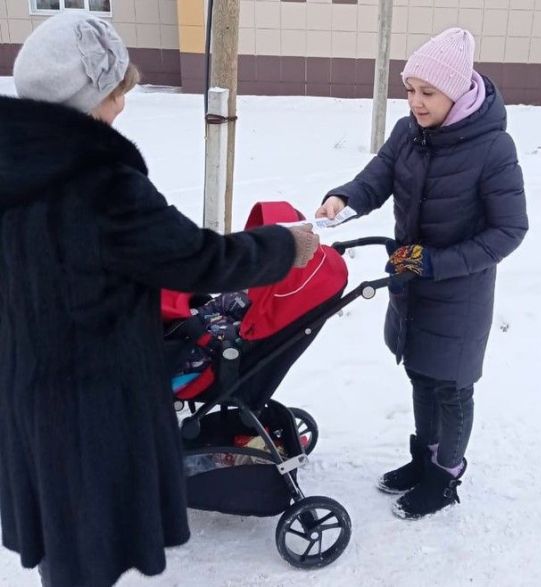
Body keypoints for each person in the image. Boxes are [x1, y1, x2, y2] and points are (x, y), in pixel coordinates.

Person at [0, 12, 318, 587]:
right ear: (90, 95)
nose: (122, 107)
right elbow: (199, 260)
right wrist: (282, 246)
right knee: (89, 540)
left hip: (26, 387)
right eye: (116, 92)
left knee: (61, 526)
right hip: (92, 397)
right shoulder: (100, 181)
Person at [316, 27, 528, 520]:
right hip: (411, 278)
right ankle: (422, 462)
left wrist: (434, 263)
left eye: (427, 92)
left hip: (460, 291)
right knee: (419, 372)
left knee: (451, 386)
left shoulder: (493, 148)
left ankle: (445, 477)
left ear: (456, 91)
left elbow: (510, 230)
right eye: (410, 90)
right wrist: (344, 198)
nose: (415, 101)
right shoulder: (409, 132)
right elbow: (379, 175)